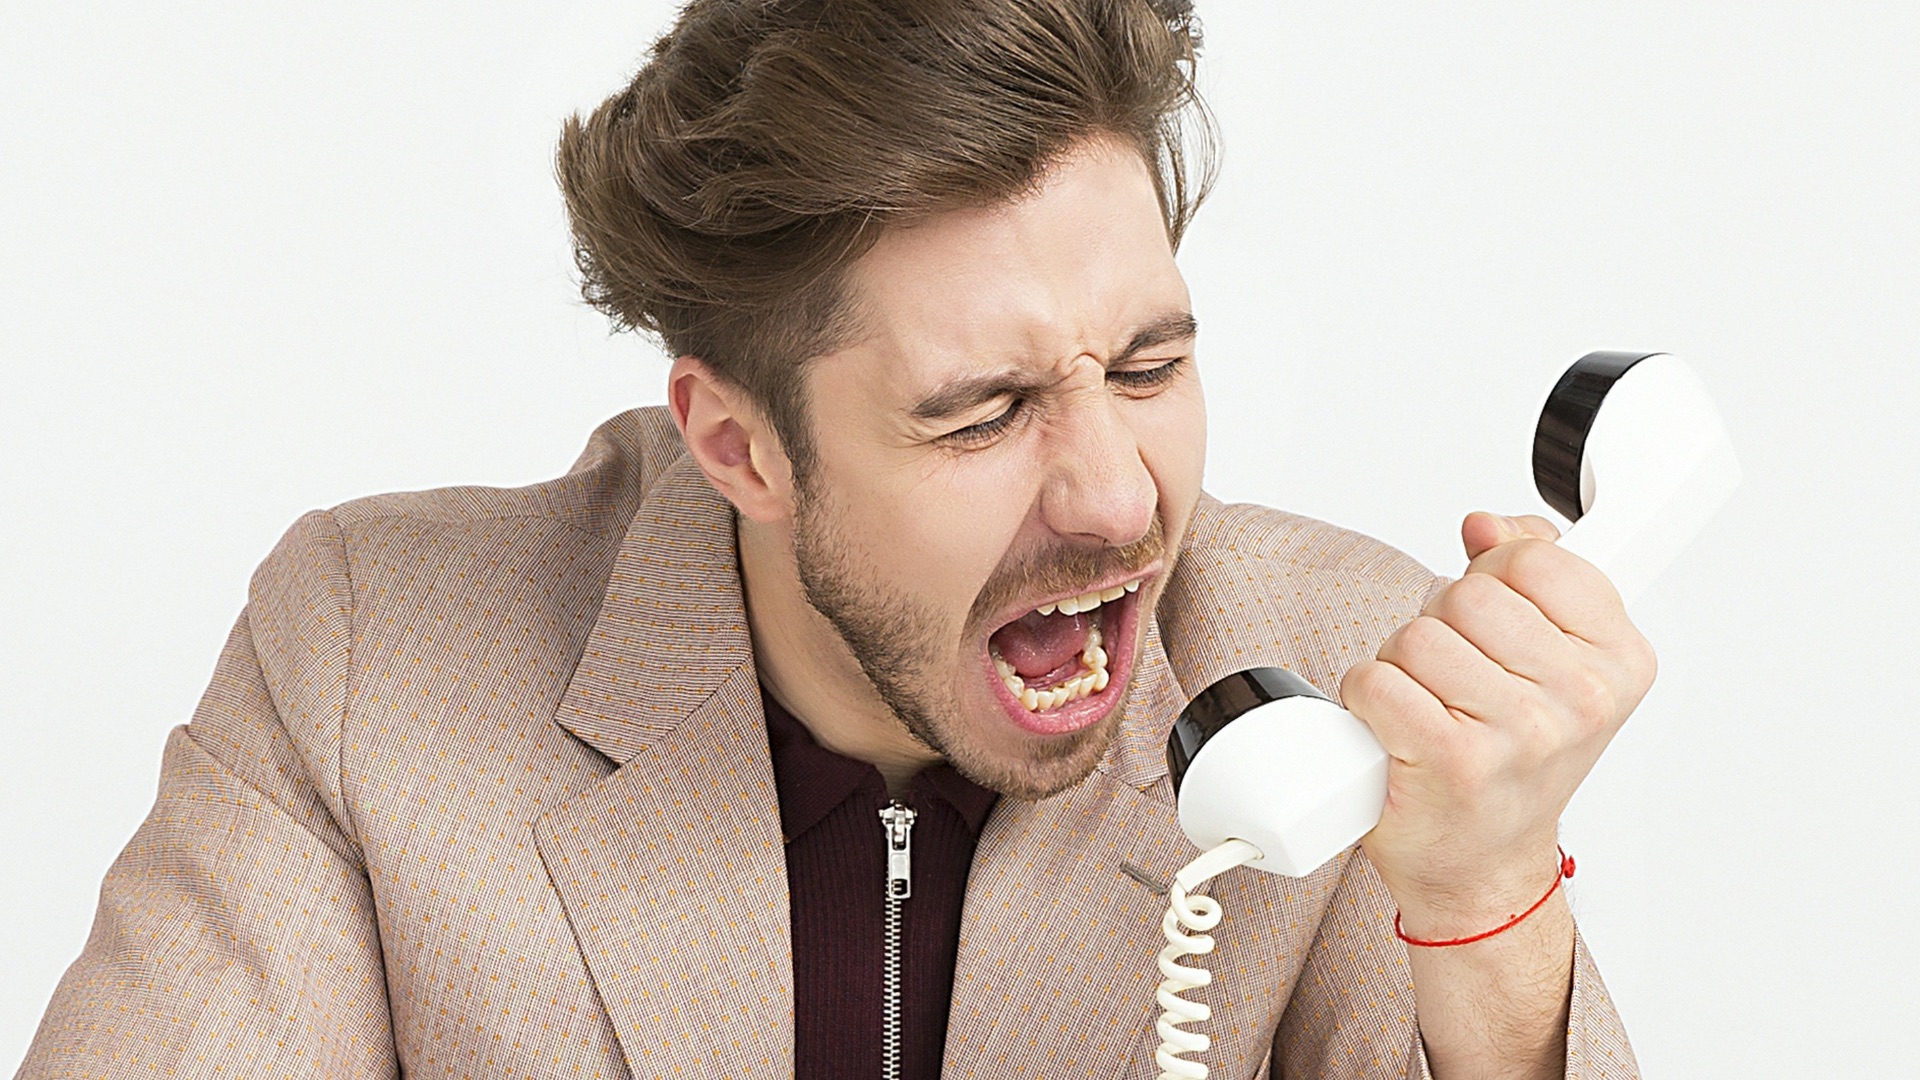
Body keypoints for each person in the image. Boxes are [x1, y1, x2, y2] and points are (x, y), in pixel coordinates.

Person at [18, 1, 1649, 1077]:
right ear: (740, 445)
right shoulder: (377, 654)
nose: (1120, 498)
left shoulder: (1339, 673)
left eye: (1150, 367)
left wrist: (1486, 901)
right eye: (982, 410)